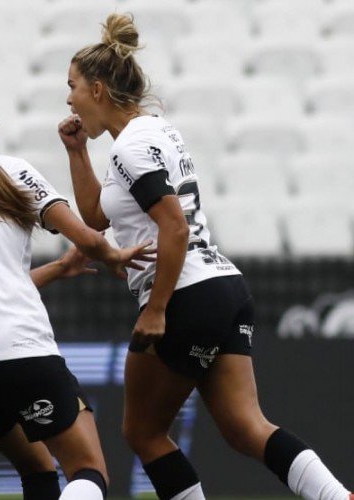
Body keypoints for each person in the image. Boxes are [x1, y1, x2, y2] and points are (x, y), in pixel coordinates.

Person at [58, 13, 352, 500]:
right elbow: (96, 215)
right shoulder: (153, 132)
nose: (67, 98)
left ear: (98, 90)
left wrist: (156, 310)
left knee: (142, 433)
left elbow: (173, 226)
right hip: (224, 286)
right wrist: (75, 152)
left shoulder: (129, 150)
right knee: (245, 427)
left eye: (71, 86)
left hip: (183, 295)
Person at [0, 70, 154, 500]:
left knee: (38, 467)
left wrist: (59, 269)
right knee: (88, 469)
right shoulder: (12, 172)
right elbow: (87, 235)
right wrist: (112, 255)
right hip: (17, 350)